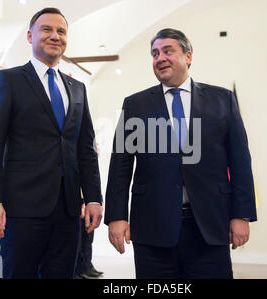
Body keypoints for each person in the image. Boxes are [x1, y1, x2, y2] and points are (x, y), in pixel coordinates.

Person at [104, 28, 257, 279]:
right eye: (154, 53)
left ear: (188, 56)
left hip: (209, 227)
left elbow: (240, 162)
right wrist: (116, 216)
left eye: (167, 51)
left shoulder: (223, 100)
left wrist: (241, 215)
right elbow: (120, 165)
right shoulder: (135, 105)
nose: (160, 58)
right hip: (152, 229)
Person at [0, 7, 103, 279]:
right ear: (30, 36)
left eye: (61, 31)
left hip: (69, 208)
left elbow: (85, 148)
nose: (55, 36)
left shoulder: (77, 88)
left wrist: (94, 197)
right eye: (46, 29)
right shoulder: (9, 80)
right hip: (23, 206)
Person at [74, 202, 104, 279]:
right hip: (80, 203)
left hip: (88, 202)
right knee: (79, 241)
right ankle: (79, 269)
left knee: (88, 239)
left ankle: (86, 266)